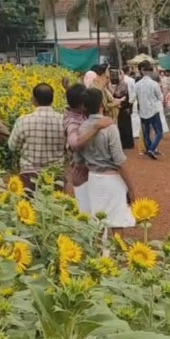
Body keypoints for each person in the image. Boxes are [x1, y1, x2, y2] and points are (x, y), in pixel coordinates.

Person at [76, 88, 136, 234]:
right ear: (102, 104)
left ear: (84, 106)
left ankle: (100, 254)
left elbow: (79, 158)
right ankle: (117, 253)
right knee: (117, 221)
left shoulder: (83, 127)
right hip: (112, 179)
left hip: (94, 178)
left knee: (97, 222)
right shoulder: (110, 127)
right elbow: (120, 162)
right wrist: (131, 188)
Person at [7, 83, 67, 195]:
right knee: (52, 208)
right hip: (54, 175)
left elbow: (12, 146)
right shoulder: (63, 121)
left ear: (34, 100)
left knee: (29, 208)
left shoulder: (23, 120)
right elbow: (70, 147)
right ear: (52, 99)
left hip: (29, 175)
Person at [63, 83, 115, 213]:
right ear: (82, 104)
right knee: (87, 212)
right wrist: (96, 127)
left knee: (100, 210)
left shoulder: (81, 114)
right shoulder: (72, 122)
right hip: (82, 173)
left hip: (93, 171)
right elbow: (74, 143)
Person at [134, 61, 165, 159]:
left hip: (143, 111)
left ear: (142, 71)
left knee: (146, 132)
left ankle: (150, 149)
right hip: (153, 111)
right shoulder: (154, 84)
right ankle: (152, 149)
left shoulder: (137, 84)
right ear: (151, 72)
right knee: (159, 132)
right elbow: (160, 98)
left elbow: (133, 98)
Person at [115, 65, 137, 149]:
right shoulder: (119, 84)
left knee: (125, 125)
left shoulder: (123, 84)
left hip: (125, 105)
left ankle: (126, 143)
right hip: (125, 105)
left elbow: (120, 95)